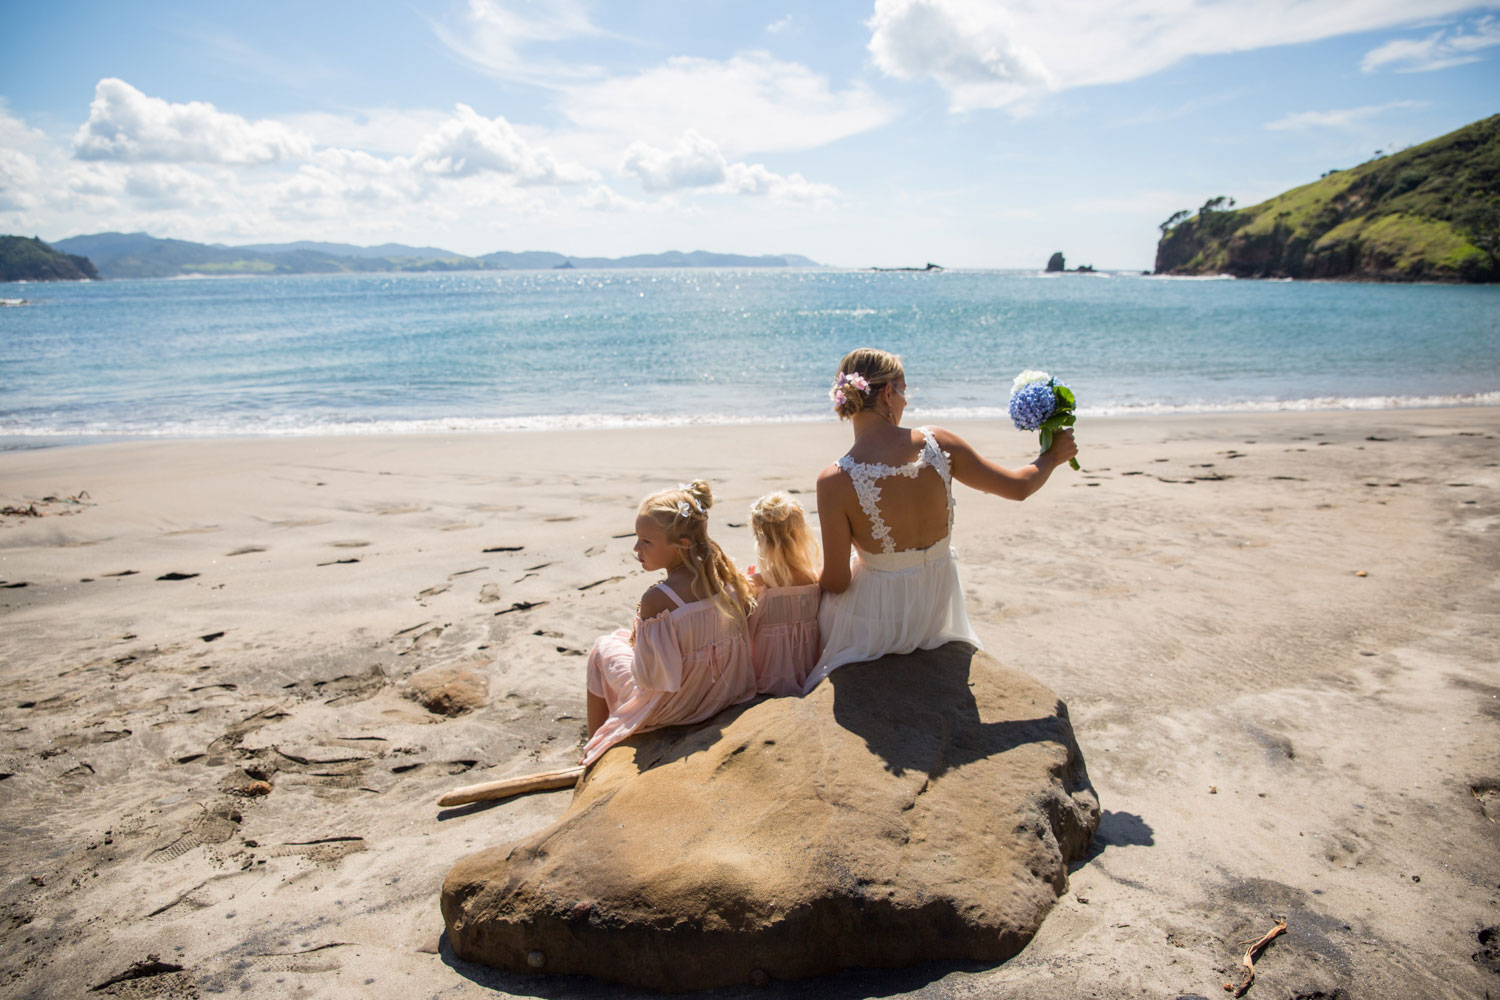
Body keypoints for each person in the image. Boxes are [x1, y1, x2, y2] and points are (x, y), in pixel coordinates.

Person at [804, 347, 1078, 694]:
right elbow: (1019, 487)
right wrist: (1051, 456)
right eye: (904, 391)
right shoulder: (937, 443)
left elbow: (838, 583)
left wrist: (801, 576)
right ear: (888, 393)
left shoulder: (833, 480)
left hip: (875, 624)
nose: (905, 402)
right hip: (933, 615)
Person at [581, 480, 759, 765]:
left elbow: (650, 678)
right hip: (721, 694)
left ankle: (592, 745)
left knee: (602, 647)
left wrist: (640, 639)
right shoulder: (727, 578)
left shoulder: (659, 598)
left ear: (682, 545)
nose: (636, 547)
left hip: (675, 707)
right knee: (620, 636)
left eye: (646, 541)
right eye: (637, 537)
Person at [745, 492, 822, 696]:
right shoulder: (815, 578)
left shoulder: (761, 583)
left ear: (760, 539)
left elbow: (747, 626)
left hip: (766, 670)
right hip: (806, 667)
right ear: (802, 534)